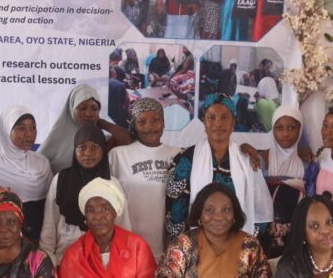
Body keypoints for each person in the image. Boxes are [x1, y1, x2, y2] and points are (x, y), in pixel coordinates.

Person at [165, 93, 273, 240]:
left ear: (233, 121)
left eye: (224, 117)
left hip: (236, 244)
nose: (218, 123)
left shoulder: (247, 159)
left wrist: (244, 244)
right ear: (204, 122)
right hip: (197, 245)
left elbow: (259, 210)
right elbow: (175, 212)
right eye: (211, 117)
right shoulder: (185, 160)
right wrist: (190, 247)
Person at [41, 125, 131, 264]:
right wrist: (47, 261)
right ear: (74, 150)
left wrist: (123, 259)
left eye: (94, 147)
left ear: (103, 150)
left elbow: (123, 225)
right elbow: (50, 224)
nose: (88, 153)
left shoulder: (112, 184)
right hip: (65, 256)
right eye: (82, 147)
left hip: (104, 259)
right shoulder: (61, 179)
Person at [109, 98, 180, 259]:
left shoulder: (178, 155)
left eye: (156, 120)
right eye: (142, 122)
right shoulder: (118, 155)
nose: (150, 127)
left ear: (164, 122)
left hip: (166, 250)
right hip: (128, 250)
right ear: (134, 125)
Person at [240, 105, 305, 258]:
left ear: (300, 129)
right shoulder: (260, 160)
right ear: (273, 130)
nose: (285, 133)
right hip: (264, 232)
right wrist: (242, 146)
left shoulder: (307, 163)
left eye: (291, 128)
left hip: (296, 233)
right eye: (279, 128)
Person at [0, 106, 52, 242]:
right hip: (4, 238)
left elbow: (50, 207)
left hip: (39, 236)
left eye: (33, 127)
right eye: (21, 128)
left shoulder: (42, 162)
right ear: (7, 131)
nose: (29, 134)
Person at [39, 84, 133, 174]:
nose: (88, 113)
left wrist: (102, 123)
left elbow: (128, 140)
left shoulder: (102, 140)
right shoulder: (55, 141)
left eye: (94, 109)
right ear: (72, 109)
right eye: (82, 108)